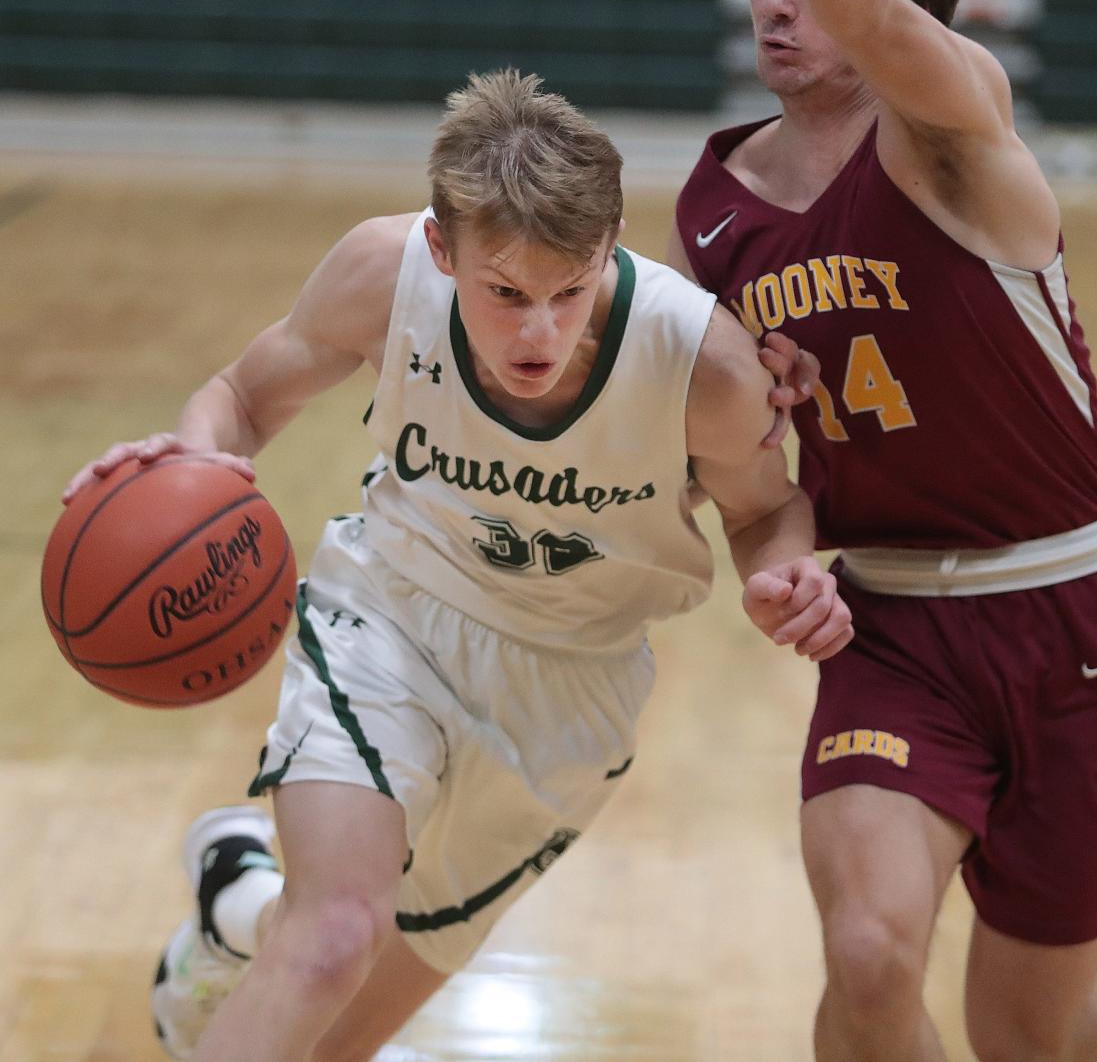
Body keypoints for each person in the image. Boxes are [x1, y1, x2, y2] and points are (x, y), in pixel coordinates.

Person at [62, 68, 854, 1062]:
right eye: (506, 293)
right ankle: (261, 912)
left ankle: (239, 898)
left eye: (570, 293)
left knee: (339, 1031)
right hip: (387, 621)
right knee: (331, 942)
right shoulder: (384, 272)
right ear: (444, 248)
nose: (538, 330)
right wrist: (188, 468)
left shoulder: (704, 365)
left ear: (610, 250)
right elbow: (243, 394)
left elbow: (768, 507)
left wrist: (784, 576)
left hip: (571, 688)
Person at [660, 0, 1097, 1062]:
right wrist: (773, 560)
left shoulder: (953, 129)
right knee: (870, 949)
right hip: (891, 630)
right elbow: (748, 472)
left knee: (1026, 1037)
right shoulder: (712, 213)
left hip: (1072, 616)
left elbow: (880, 20)